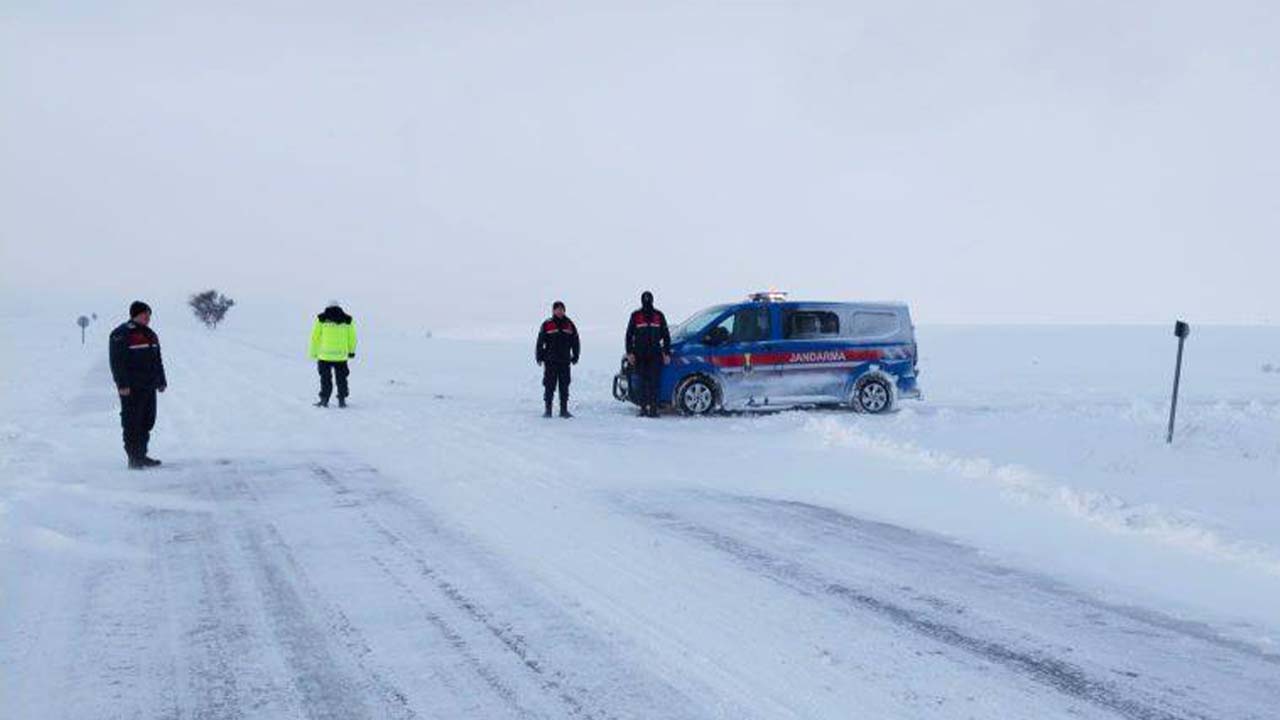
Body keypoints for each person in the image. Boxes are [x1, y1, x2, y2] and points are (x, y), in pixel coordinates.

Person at [108, 301, 167, 468]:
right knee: (132, 422)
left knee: (147, 421)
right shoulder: (121, 334)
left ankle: (142, 454)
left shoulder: (151, 334)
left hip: (149, 386)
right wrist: (122, 384)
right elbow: (117, 362)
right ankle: (134, 458)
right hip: (131, 388)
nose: (148, 318)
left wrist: (161, 380)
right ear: (135, 315)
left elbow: (157, 360)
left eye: (149, 315)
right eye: (145, 315)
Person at [625, 291, 671, 417]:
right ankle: (643, 409)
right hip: (640, 354)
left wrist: (666, 353)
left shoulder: (659, 315)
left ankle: (654, 410)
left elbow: (666, 336)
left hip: (655, 354)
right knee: (642, 382)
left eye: (649, 299)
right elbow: (629, 335)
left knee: (654, 382)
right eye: (645, 299)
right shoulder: (635, 315)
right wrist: (630, 353)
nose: (647, 302)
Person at [535, 301, 580, 418]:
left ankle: (564, 410)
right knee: (549, 386)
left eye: (562, 309)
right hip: (550, 361)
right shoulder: (547, 324)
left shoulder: (569, 324)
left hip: (565, 361)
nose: (560, 311)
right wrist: (539, 356)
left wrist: (575, 355)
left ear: (564, 311)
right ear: (553, 311)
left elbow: (575, 341)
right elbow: (540, 342)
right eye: (557, 309)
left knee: (564, 386)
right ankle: (548, 410)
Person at [309, 304, 357, 407]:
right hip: (341, 356)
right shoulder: (348, 320)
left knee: (325, 379)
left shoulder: (321, 319)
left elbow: (315, 337)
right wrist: (351, 351)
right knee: (342, 378)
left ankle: (324, 400)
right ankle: (342, 400)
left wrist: (313, 352)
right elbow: (352, 337)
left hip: (324, 356)